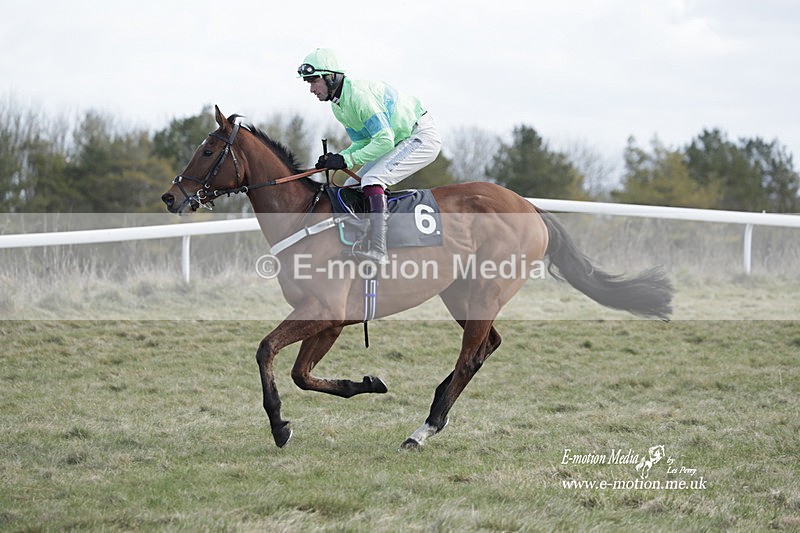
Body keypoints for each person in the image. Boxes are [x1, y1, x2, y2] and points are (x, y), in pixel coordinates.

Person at [298, 48, 442, 264]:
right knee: (350, 185)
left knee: (373, 179)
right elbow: (363, 142)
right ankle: (361, 241)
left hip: (419, 135)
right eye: (308, 83)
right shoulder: (339, 106)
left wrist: (347, 160)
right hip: (398, 138)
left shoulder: (359, 97)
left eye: (314, 81)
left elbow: (384, 141)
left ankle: (379, 249)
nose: (311, 89)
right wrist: (338, 158)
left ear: (331, 77)